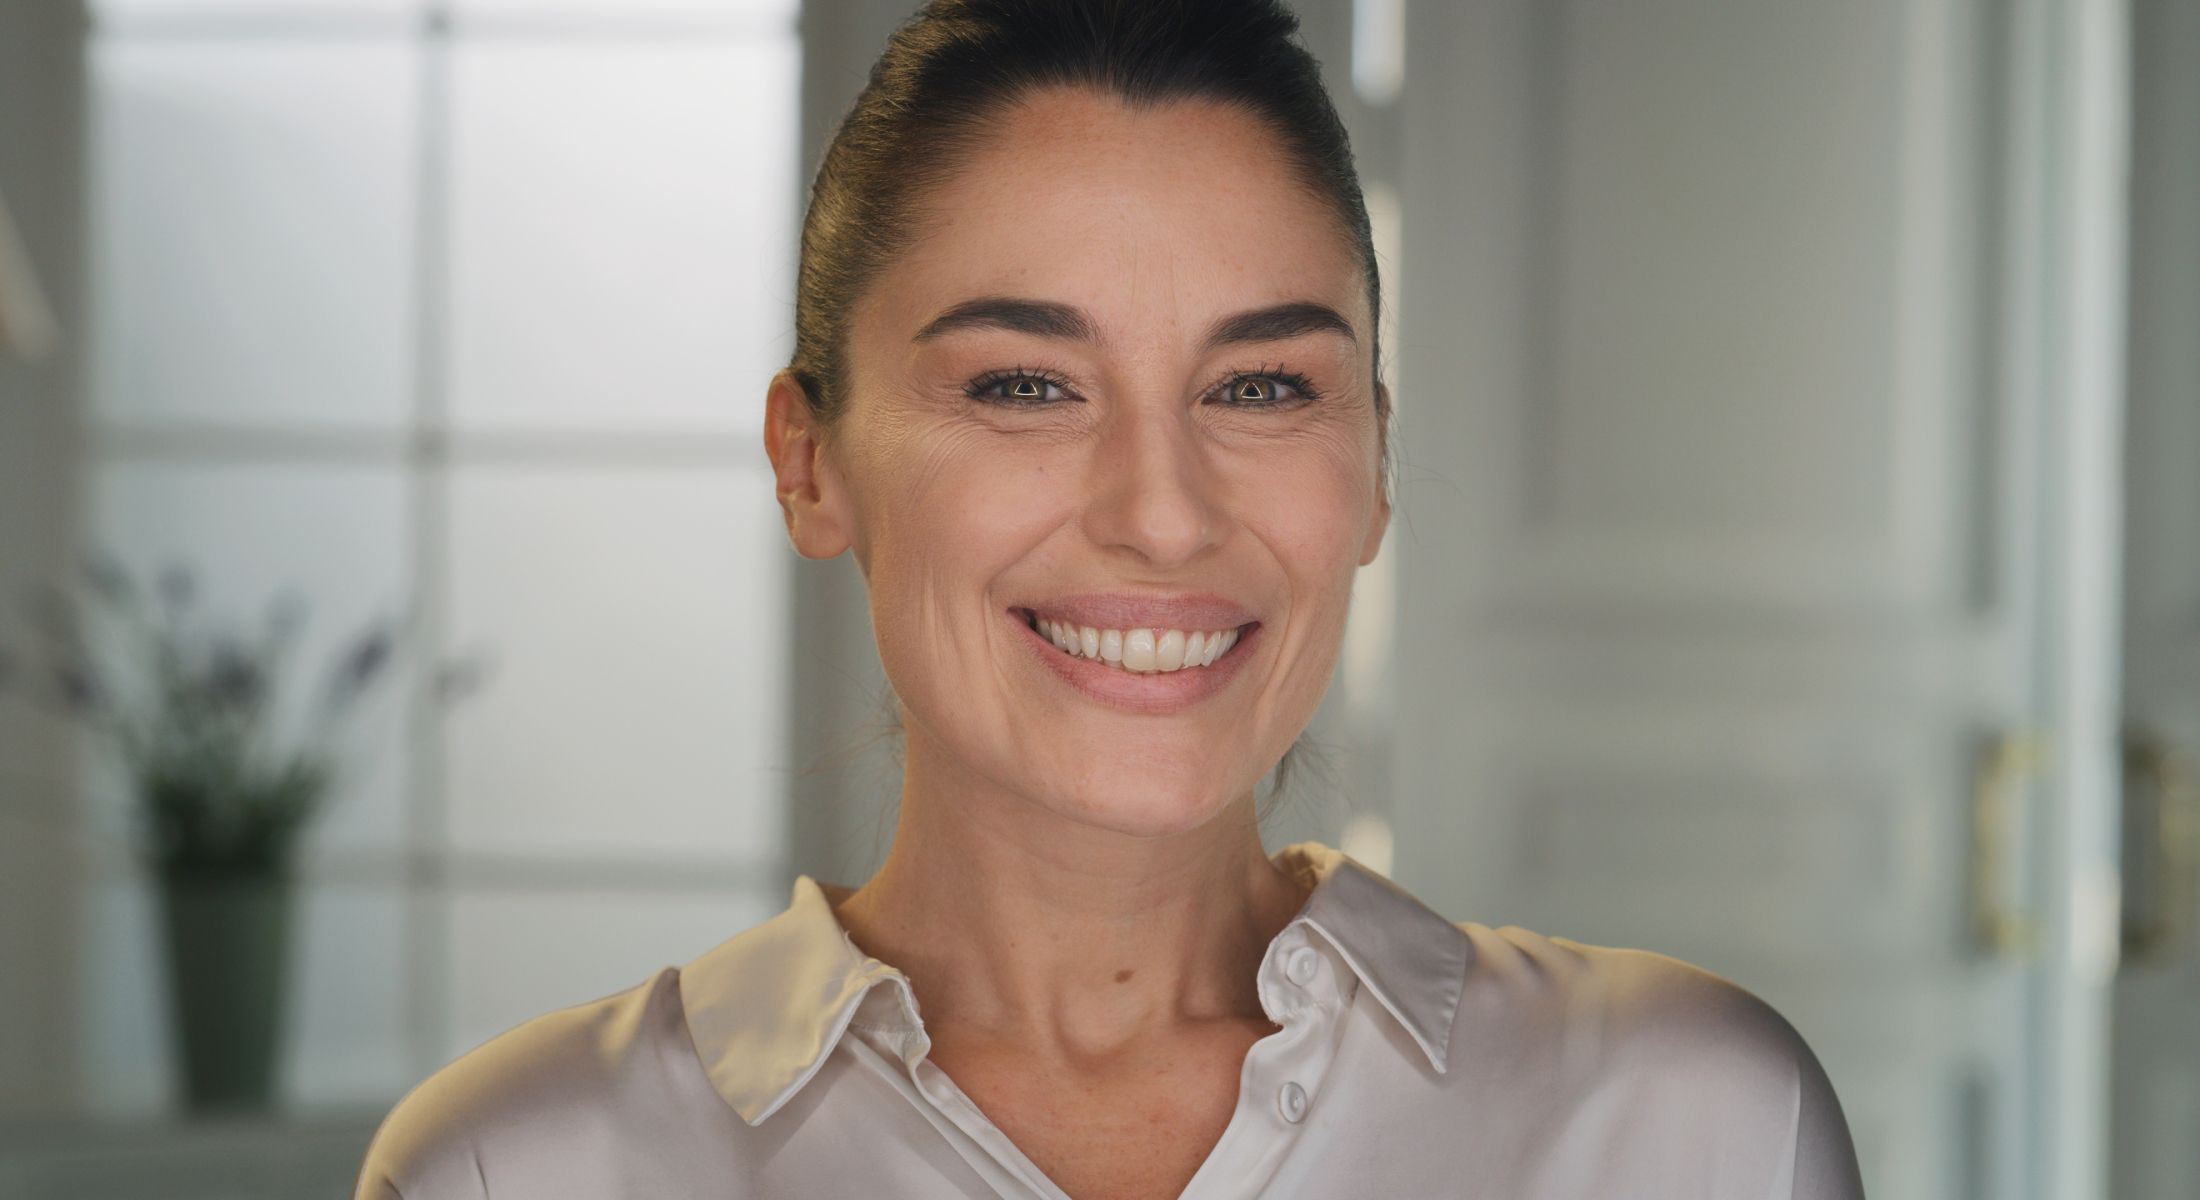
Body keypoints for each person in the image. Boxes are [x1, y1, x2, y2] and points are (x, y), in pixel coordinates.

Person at [353, 1, 1867, 1196]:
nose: (1162, 511)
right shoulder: (516, 1171)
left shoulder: (1698, 1130)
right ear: (810, 464)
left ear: (1378, 465)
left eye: (1263, 384)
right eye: (1026, 384)